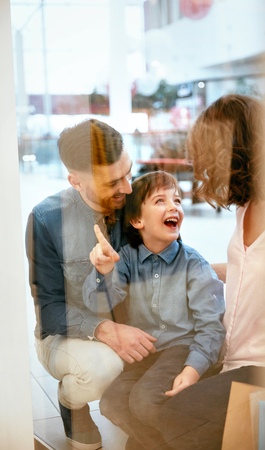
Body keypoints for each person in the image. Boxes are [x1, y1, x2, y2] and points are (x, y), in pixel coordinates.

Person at [154, 94, 265, 449]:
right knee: (149, 405)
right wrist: (194, 270)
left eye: (209, 159)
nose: (205, 171)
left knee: (175, 417)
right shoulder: (247, 206)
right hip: (234, 352)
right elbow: (248, 267)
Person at [26, 119, 157, 450]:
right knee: (103, 367)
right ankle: (73, 404)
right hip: (68, 337)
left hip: (133, 325)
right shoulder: (46, 219)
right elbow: (50, 311)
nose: (127, 188)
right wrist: (105, 329)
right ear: (76, 181)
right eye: (113, 182)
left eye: (129, 172)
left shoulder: (135, 202)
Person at [82, 170, 226, 450]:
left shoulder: (194, 264)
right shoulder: (123, 259)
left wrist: (193, 369)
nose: (174, 206)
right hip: (145, 354)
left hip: (182, 349)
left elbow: (211, 327)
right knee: (111, 403)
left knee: (145, 401)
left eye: (178, 200)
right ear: (137, 220)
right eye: (160, 201)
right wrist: (104, 271)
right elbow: (98, 304)